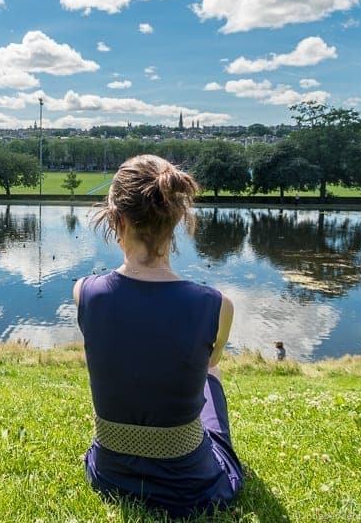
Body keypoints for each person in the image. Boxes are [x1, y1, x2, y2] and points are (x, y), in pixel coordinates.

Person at [74, 154, 243, 518]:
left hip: (110, 473)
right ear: (177, 220)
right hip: (193, 484)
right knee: (210, 374)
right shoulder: (217, 305)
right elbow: (209, 365)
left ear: (117, 219)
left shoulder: (85, 292)